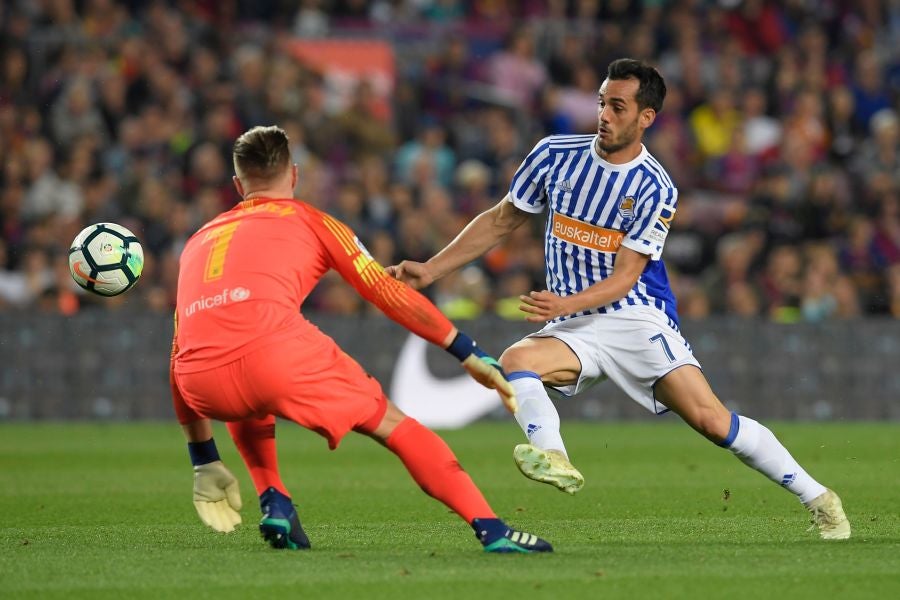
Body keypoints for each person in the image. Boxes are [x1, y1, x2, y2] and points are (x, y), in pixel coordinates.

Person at [388, 59, 850, 540]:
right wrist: (432, 267)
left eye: (617, 106)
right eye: (601, 103)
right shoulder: (553, 154)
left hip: (634, 317)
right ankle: (554, 457)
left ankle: (819, 497)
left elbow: (627, 277)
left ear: (645, 117)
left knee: (713, 422)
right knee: (517, 360)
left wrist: (562, 306)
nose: (604, 114)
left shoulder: (655, 187)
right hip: (574, 323)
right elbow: (502, 219)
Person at [169, 125, 552, 553]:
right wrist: (466, 350)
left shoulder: (196, 241)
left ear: (238, 185)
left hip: (199, 383)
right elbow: (385, 292)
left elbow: (179, 349)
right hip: (273, 357)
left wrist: (203, 458)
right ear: (293, 175)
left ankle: (275, 500)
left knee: (249, 395)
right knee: (393, 424)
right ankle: (493, 531)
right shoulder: (314, 221)